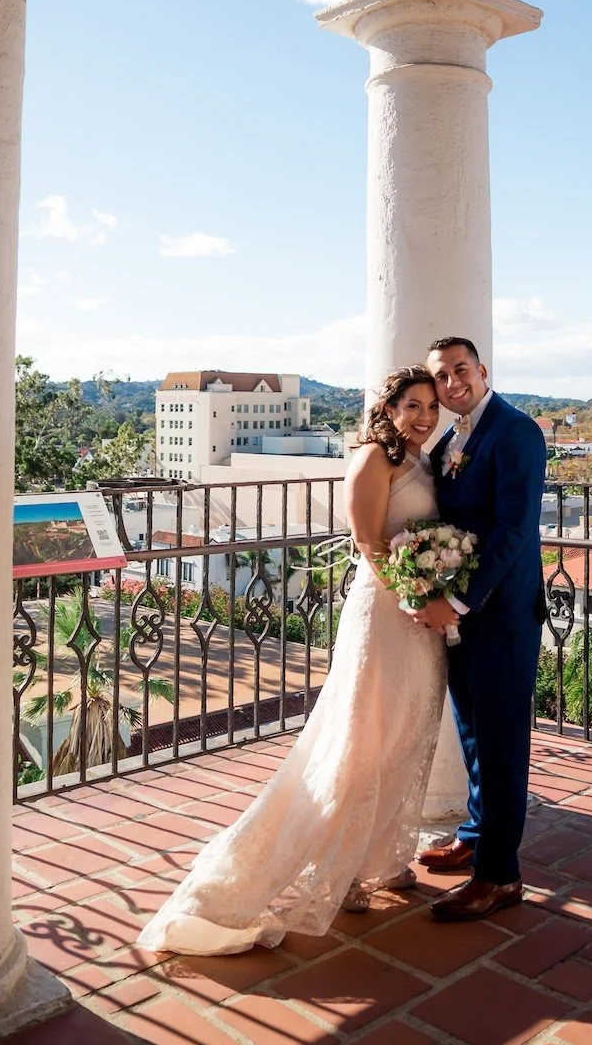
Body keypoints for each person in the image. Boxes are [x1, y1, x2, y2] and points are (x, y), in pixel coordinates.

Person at [137, 366, 450, 954]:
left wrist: (432, 591)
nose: (424, 417)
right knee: (362, 738)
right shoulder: (371, 461)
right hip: (386, 614)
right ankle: (321, 869)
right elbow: (368, 544)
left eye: (431, 407)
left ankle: (373, 859)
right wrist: (413, 598)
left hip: (418, 619)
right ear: (390, 408)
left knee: (405, 733)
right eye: (413, 406)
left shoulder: (423, 461)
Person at [416, 336, 547, 922]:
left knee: (501, 740)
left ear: (482, 369)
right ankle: (476, 832)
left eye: (460, 371)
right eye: (441, 377)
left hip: (500, 613)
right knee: (471, 729)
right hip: (461, 614)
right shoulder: (450, 437)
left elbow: (513, 532)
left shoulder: (516, 431)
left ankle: (500, 875)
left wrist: (461, 600)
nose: (451, 384)